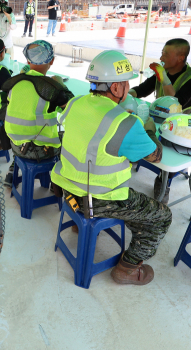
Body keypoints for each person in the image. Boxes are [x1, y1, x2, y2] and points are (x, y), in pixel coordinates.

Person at [50, 50, 171, 286]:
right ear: (116, 88)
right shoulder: (125, 122)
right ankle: (127, 268)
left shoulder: (75, 103)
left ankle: (78, 225)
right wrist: (147, 128)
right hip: (98, 199)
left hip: (67, 188)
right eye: (125, 83)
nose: (127, 87)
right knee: (162, 216)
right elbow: (155, 156)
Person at [3, 40, 73, 162]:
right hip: (40, 149)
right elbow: (72, 108)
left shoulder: (14, 81)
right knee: (69, 138)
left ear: (28, 61)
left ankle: (13, 167)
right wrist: (61, 85)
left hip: (14, 145)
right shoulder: (51, 88)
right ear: (52, 61)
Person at [128, 38, 191, 109]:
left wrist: (164, 79)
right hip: (162, 115)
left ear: (180, 58)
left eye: (166, 55)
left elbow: (174, 106)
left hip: (182, 119)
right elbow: (142, 90)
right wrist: (124, 95)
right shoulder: (163, 70)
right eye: (162, 53)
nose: (161, 58)